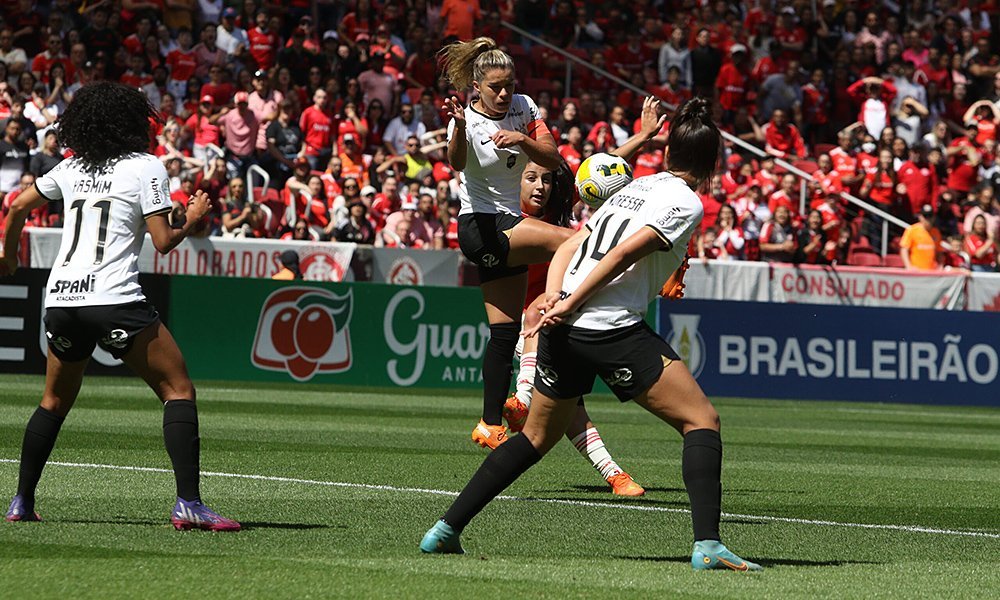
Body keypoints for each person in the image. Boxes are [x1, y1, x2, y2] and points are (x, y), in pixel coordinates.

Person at [420, 97, 761, 572]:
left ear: (666, 155)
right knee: (701, 420)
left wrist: (554, 298)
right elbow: (621, 255)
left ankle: (445, 529)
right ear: (712, 165)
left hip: (567, 327)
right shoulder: (686, 202)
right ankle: (708, 546)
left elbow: (575, 244)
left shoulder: (633, 188)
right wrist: (572, 302)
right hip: (608, 328)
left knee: (536, 437)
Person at [0, 82, 239, 531]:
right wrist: (193, 216)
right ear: (130, 122)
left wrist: (9, 257)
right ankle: (188, 503)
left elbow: (16, 208)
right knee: (178, 389)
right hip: (113, 298)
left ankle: (20, 502)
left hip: (62, 300)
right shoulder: (146, 166)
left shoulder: (71, 168)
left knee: (53, 400)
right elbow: (164, 241)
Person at [438, 37, 568, 449]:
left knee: (503, 332)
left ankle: (490, 423)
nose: (504, 93)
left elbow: (553, 157)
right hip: (482, 225)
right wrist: (458, 126)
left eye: (509, 84)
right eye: (495, 86)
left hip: (507, 226)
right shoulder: (465, 121)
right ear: (476, 86)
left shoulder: (523, 108)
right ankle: (563, 304)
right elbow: (456, 162)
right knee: (574, 240)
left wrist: (523, 140)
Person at [507, 159, 645, 496]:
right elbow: (578, 240)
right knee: (570, 405)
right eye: (530, 179)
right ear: (515, 183)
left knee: (568, 407)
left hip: (560, 319)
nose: (540, 186)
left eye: (547, 180)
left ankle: (615, 476)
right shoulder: (516, 224)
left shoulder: (555, 211)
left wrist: (640, 139)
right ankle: (614, 475)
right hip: (530, 329)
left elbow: (601, 171)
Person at [900, 204, 942, 270]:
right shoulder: (912, 230)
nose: (927, 219)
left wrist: (940, 266)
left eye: (930, 216)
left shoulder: (936, 232)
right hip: (916, 271)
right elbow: (904, 249)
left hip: (932, 271)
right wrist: (908, 266)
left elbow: (939, 252)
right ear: (920, 217)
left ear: (933, 217)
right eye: (925, 216)